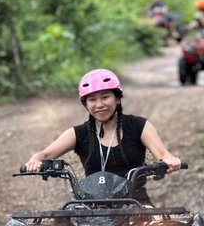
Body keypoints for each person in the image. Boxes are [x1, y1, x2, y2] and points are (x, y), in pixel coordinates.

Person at [24, 69, 182, 206]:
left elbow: (163, 154)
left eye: (105, 97)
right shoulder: (79, 133)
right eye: (92, 99)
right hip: (89, 204)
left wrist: (170, 160)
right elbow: (44, 154)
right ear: (86, 104)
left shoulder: (139, 126)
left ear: (117, 98)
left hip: (135, 202)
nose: (99, 104)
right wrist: (35, 160)